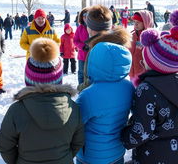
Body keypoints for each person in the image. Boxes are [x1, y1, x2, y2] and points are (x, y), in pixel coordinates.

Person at [0, 38, 84, 164]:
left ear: (28, 79)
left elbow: (5, 145)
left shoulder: (16, 110)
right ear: (59, 78)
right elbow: (78, 141)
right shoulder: (73, 108)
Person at [121, 10, 178, 163]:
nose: (142, 61)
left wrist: (123, 137)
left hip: (152, 155)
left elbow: (142, 131)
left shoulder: (146, 89)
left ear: (153, 62)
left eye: (145, 57)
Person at [76, 42, 134, 164]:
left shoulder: (89, 95)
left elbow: (76, 123)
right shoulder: (129, 87)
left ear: (94, 63)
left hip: (91, 156)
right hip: (117, 151)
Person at [78, 5, 131, 92]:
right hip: (119, 95)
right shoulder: (120, 45)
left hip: (97, 98)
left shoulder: (97, 50)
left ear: (91, 28)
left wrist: (79, 88)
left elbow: (91, 81)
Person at [129, 10, 154, 87]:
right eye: (134, 22)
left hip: (143, 74)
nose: (135, 24)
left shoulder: (150, 38)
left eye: (138, 22)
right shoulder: (131, 35)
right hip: (131, 73)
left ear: (146, 22)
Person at [74, 8, 89, 84]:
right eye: (84, 16)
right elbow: (75, 41)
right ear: (82, 17)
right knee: (81, 73)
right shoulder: (79, 28)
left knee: (91, 74)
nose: (86, 17)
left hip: (93, 55)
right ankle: (81, 89)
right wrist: (82, 46)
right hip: (82, 55)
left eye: (88, 15)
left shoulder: (95, 27)